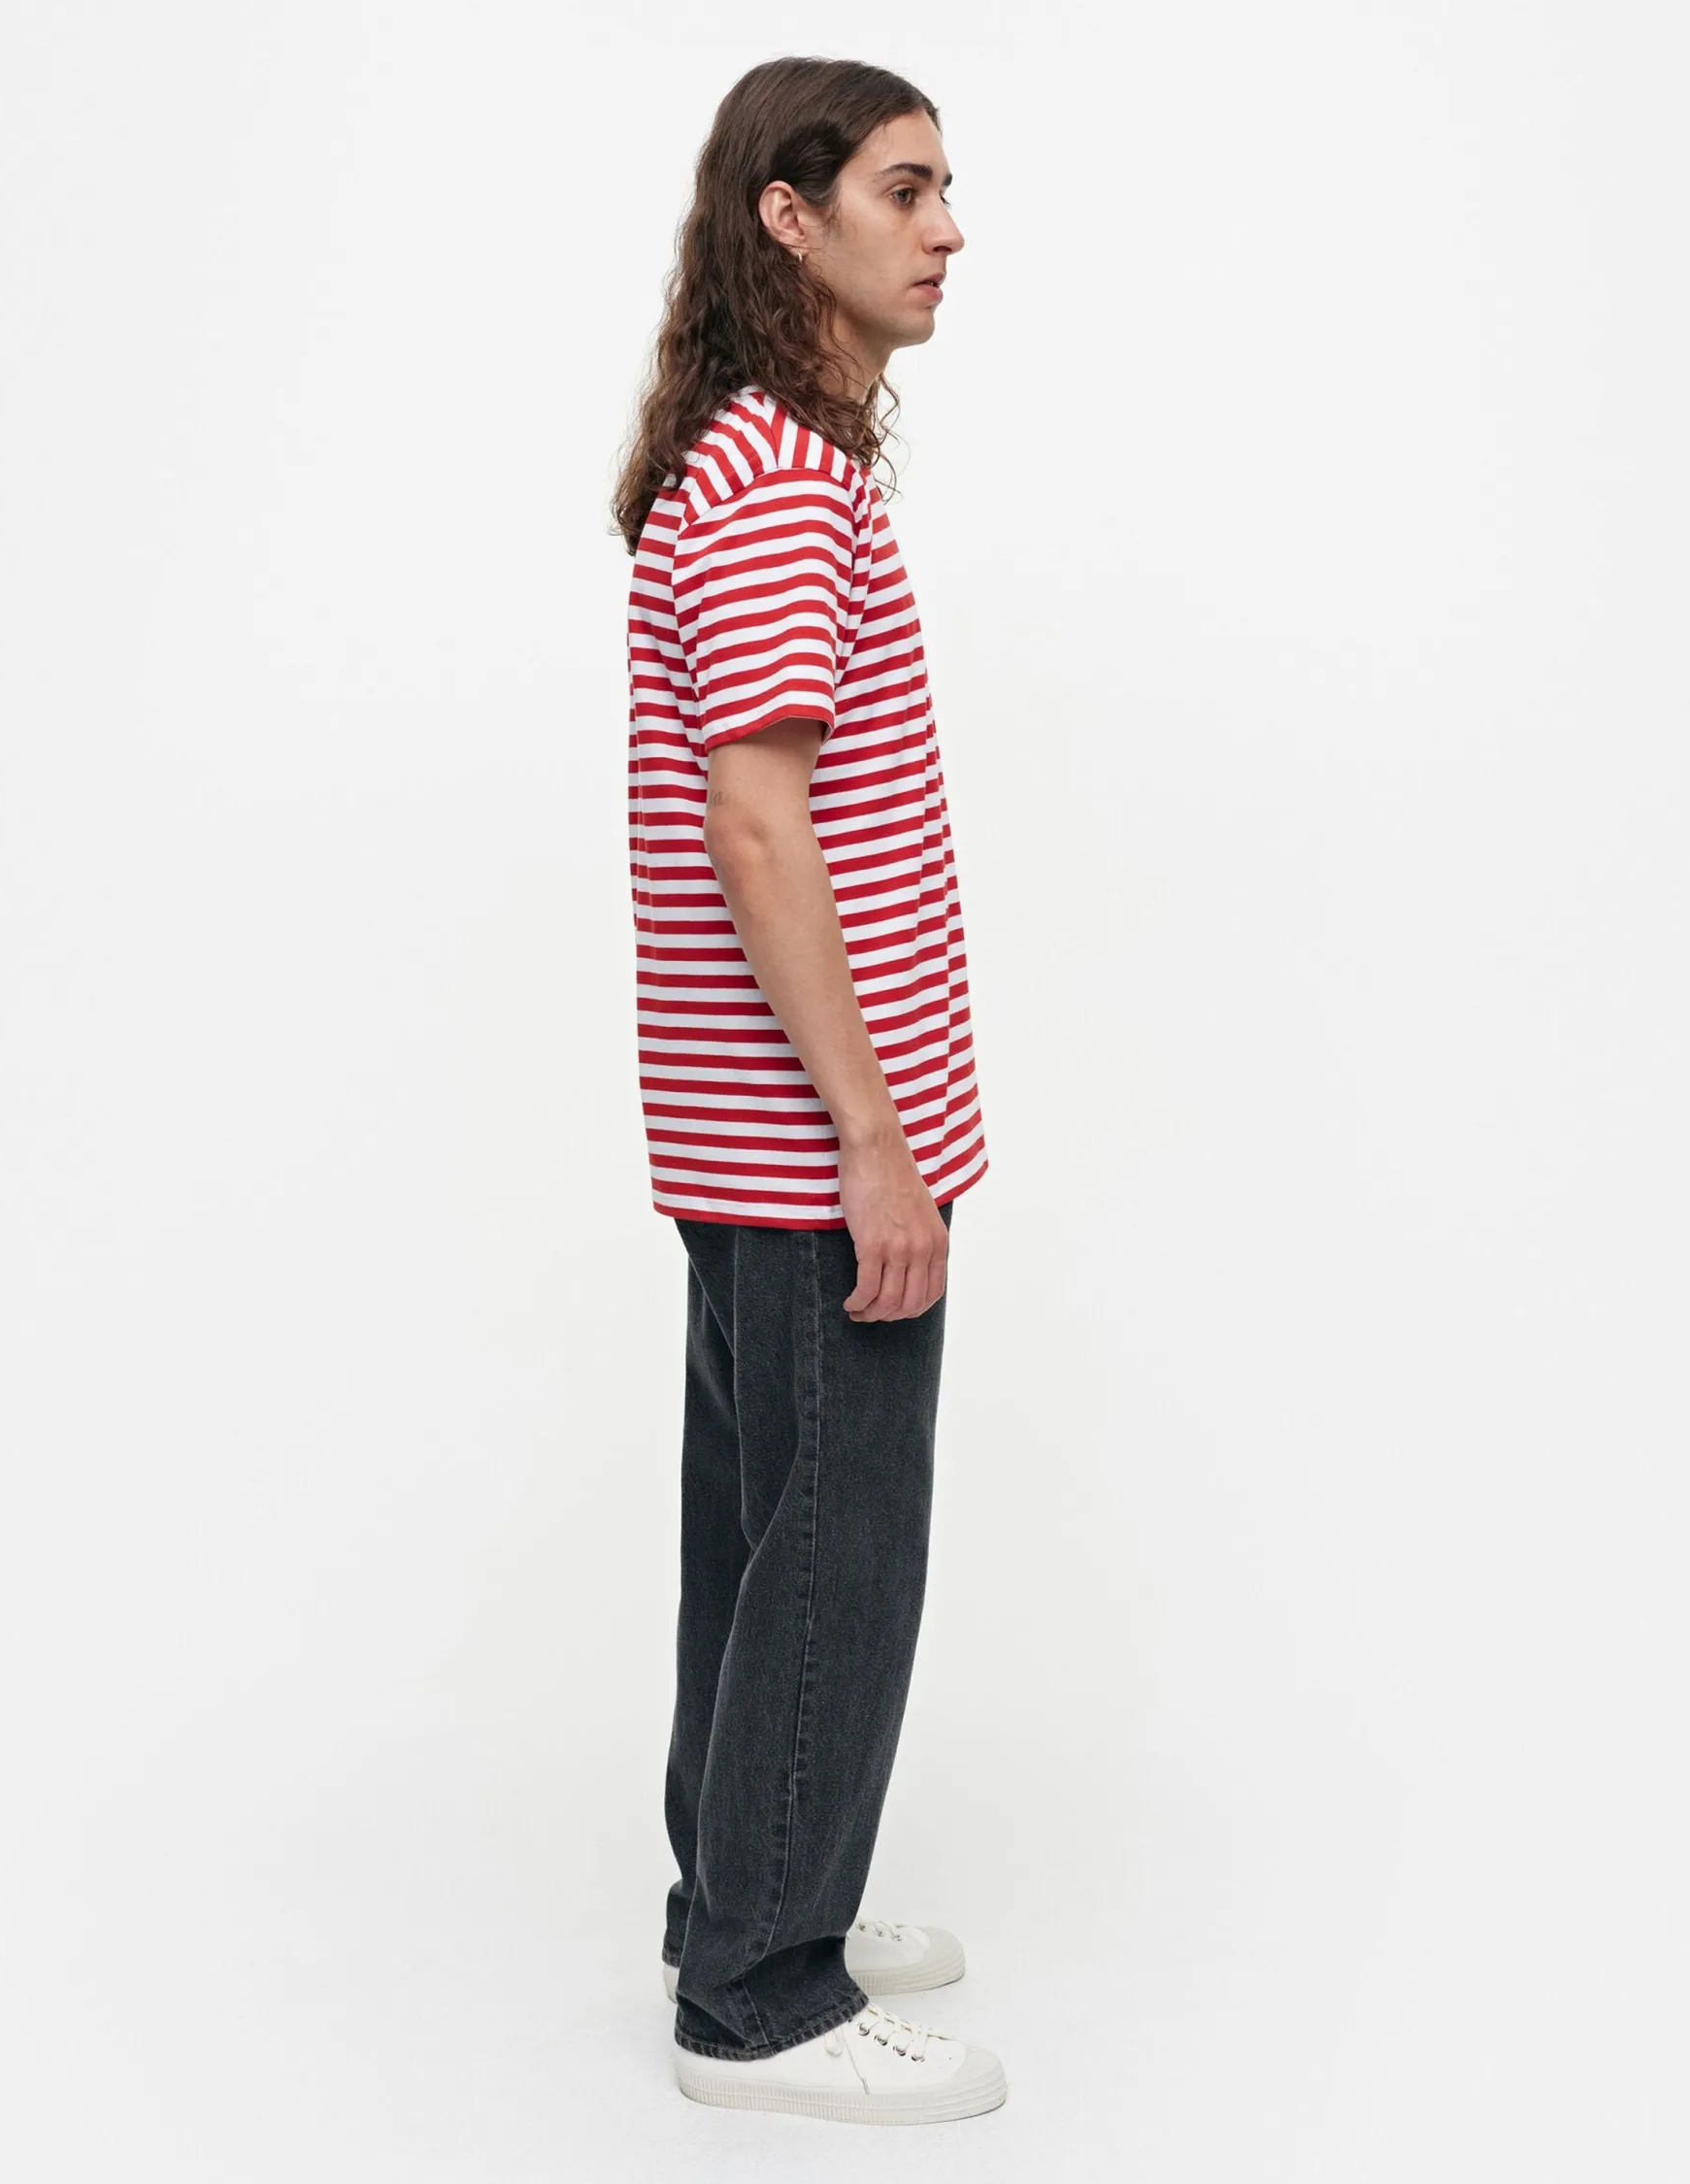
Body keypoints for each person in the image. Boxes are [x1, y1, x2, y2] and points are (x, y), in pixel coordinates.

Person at [611, 55, 1005, 2126]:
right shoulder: (772, 483)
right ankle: (761, 1995)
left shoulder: (772, 462)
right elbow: (759, 828)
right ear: (792, 215)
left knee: (771, 1538)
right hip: (807, 1146)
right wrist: (877, 1141)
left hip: (760, 1142)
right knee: (840, 1549)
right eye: (905, 189)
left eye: (947, 191)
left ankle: (749, 1900)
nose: (948, 230)